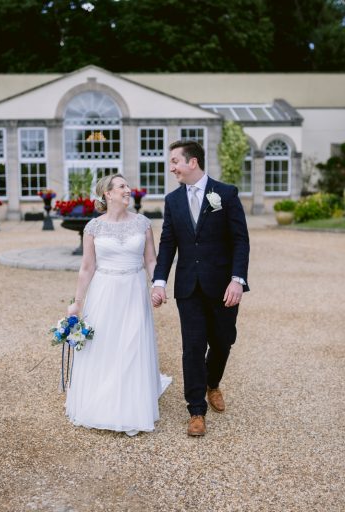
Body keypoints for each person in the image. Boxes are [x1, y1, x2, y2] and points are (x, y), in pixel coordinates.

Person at [151, 140, 250, 437]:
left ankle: (213, 384)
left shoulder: (227, 194)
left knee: (223, 341)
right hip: (188, 287)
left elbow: (240, 240)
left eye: (175, 161)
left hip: (223, 286)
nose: (172, 168)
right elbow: (168, 243)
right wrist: (159, 281)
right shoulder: (172, 201)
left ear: (192, 162)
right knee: (193, 347)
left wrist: (237, 279)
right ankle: (196, 410)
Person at [65, 174, 171, 436]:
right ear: (107, 194)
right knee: (106, 345)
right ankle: (103, 402)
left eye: (127, 186)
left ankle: (131, 406)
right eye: (122, 186)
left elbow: (151, 261)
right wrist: (76, 304)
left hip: (134, 290)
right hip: (105, 291)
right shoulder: (93, 227)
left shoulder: (142, 223)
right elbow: (87, 267)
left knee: (133, 343)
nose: (128, 190)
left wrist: (158, 285)